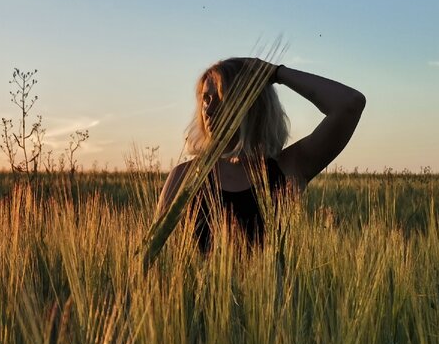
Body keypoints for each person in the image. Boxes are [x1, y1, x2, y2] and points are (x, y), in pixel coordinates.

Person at [155, 58, 366, 251]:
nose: (208, 110)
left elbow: (349, 104)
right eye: (206, 99)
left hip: (271, 293)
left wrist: (276, 73)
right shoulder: (184, 178)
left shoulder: (289, 168)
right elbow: (157, 261)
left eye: (220, 97)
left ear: (252, 105)